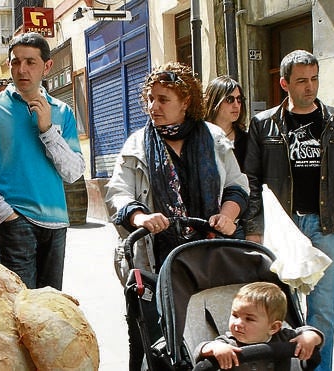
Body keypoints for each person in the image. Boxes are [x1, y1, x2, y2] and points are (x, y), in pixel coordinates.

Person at [104, 62, 249, 371]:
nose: (152, 106)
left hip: (209, 258)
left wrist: (227, 214)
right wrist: (141, 218)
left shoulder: (213, 138)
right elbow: (117, 192)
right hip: (157, 260)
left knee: (206, 335)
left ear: (185, 102)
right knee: (150, 341)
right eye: (150, 98)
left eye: (163, 99)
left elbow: (237, 184)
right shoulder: (137, 144)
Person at [243, 50, 334, 371]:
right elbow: (252, 178)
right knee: (280, 306)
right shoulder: (263, 124)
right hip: (282, 229)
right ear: (284, 83)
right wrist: (254, 226)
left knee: (322, 309)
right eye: (302, 80)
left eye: (314, 79)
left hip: (324, 225)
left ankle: (320, 368)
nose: (310, 87)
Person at [0, 32, 85, 290]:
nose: (21, 69)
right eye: (16, 62)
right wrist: (7, 216)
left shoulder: (62, 112)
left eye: (30, 62)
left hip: (57, 225)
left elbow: (73, 172)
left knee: (49, 309)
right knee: (18, 307)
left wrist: (48, 130)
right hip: (15, 224)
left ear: (47, 66)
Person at [194, 282, 323, 370]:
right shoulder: (228, 343)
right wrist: (215, 347)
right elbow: (201, 350)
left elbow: (312, 334)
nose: (238, 323)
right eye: (235, 315)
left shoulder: (285, 337)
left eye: (249, 319)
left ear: (273, 327)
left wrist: (309, 337)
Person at [204, 75, 248, 169]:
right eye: (229, 99)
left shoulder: (246, 139)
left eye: (239, 99)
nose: (236, 105)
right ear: (214, 102)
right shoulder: (199, 135)